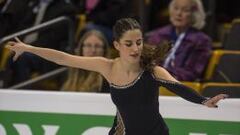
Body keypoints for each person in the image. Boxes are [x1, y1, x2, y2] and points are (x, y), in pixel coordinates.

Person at [6, 18, 227, 135]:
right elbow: (64, 58)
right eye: (129, 43)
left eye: (138, 42)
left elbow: (179, 88)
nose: (135, 48)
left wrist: (204, 101)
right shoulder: (107, 67)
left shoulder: (152, 71)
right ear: (117, 45)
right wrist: (28, 48)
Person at [145, 0, 212, 81]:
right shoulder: (158, 35)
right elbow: (147, 63)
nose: (179, 13)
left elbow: (191, 72)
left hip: (180, 85)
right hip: (152, 81)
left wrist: (165, 77)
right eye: (176, 8)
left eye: (185, 10)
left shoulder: (201, 41)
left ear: (195, 14)